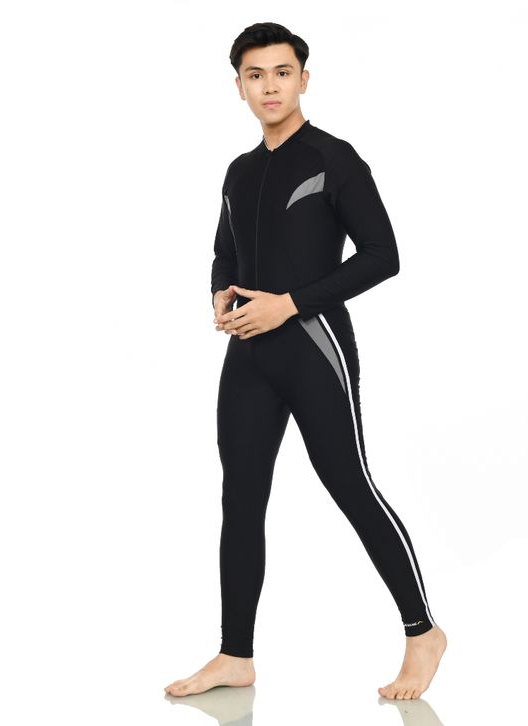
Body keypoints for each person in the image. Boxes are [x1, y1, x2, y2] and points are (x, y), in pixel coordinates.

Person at [165, 22, 447, 701]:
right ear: (239, 86)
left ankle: (423, 632)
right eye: (256, 74)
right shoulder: (239, 171)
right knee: (241, 497)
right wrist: (221, 293)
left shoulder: (334, 158)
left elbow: (382, 255)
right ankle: (235, 654)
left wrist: (289, 304)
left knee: (350, 484)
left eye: (282, 72)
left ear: (304, 79)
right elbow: (225, 250)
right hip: (248, 355)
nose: (270, 86)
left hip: (315, 346)